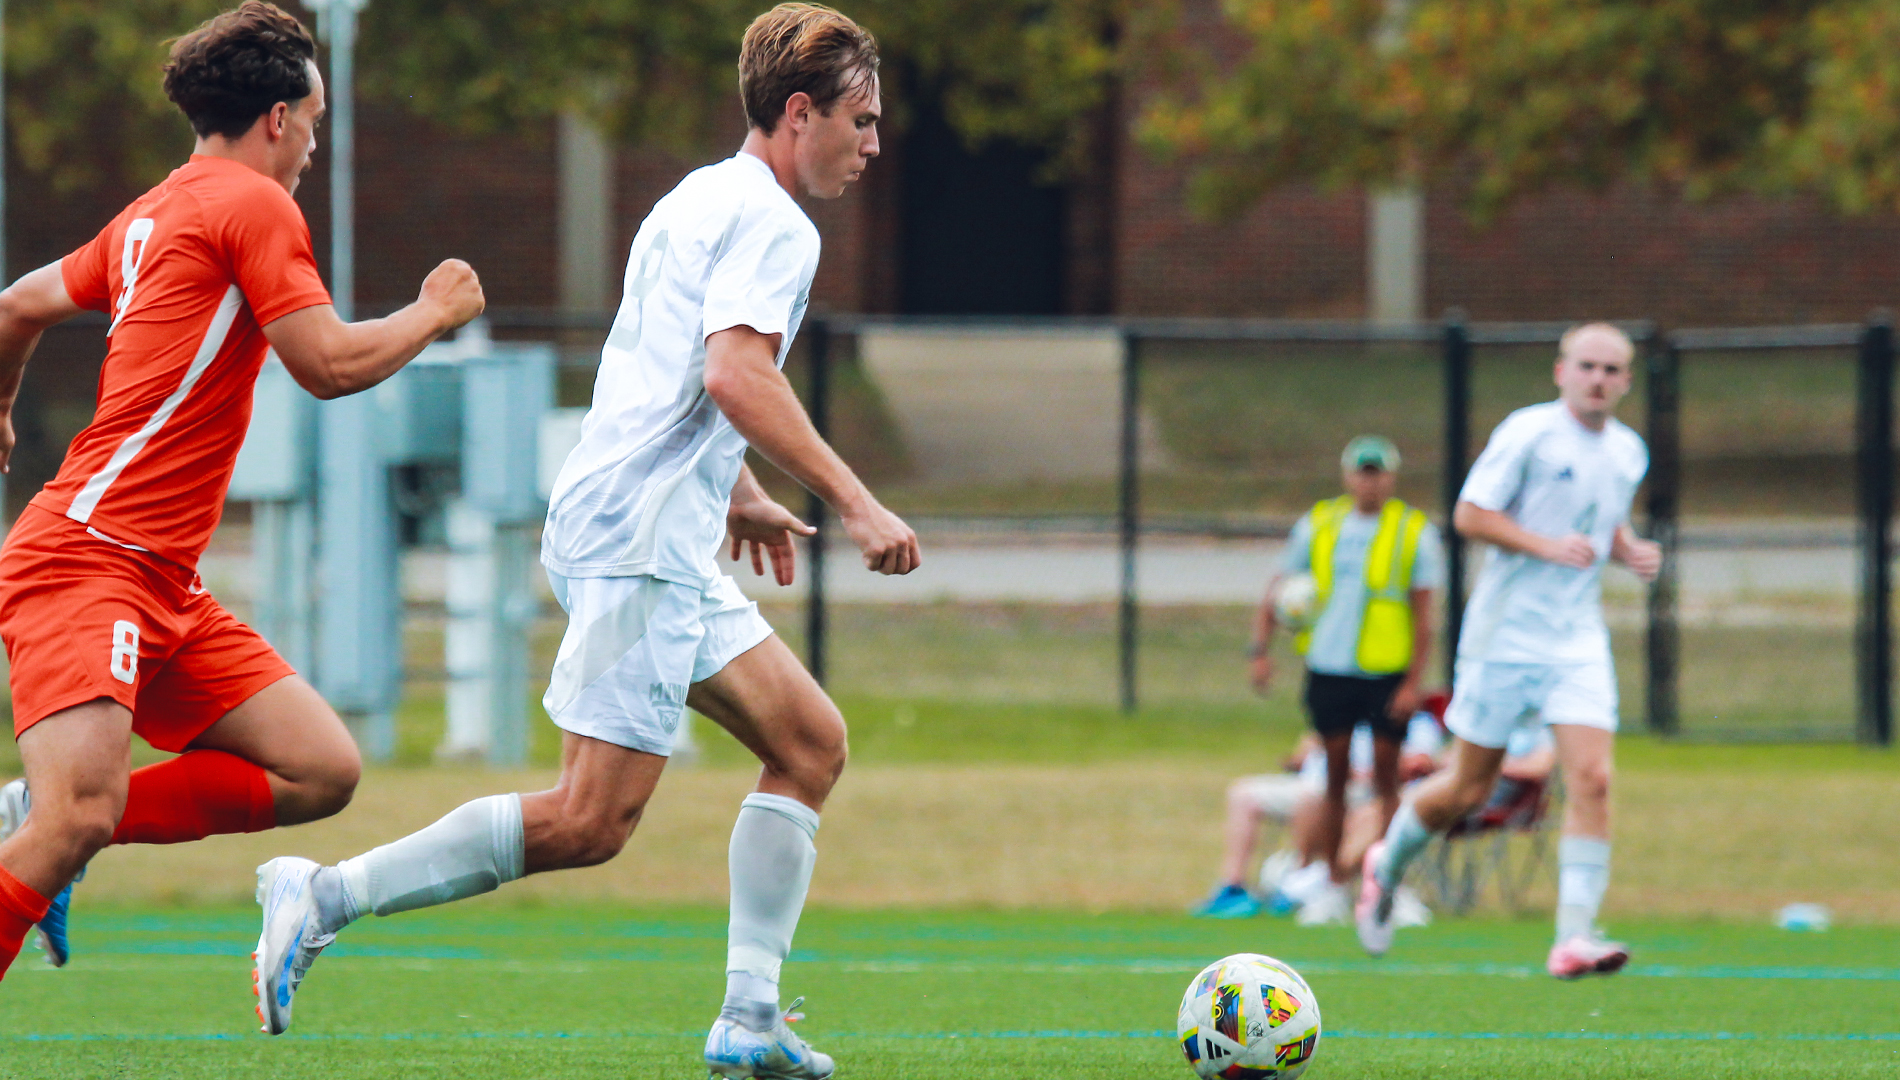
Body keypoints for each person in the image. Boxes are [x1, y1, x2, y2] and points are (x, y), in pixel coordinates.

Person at [253, 8, 916, 1078]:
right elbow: (733, 375)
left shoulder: (694, 196)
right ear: (801, 113)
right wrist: (856, 501)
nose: (872, 145)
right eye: (861, 120)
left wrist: (736, 488)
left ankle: (749, 1021)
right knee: (587, 820)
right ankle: (322, 893)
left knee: (808, 743)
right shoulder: (779, 227)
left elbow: (667, 375)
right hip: (638, 541)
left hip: (647, 526)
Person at [0, 2, 485, 983]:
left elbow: (17, 305)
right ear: (277, 117)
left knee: (319, 768)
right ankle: (51, 825)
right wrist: (433, 313)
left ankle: (39, 820)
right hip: (89, 557)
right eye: (312, 120)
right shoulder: (254, 204)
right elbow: (329, 365)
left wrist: (1, 411)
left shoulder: (153, 210)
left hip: (160, 581)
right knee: (81, 815)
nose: (311, 143)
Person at [1356, 322, 1662, 981]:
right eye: (1587, 366)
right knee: (1468, 787)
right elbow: (1471, 515)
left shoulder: (1629, 451)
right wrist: (1546, 545)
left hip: (1576, 638)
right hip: (1505, 636)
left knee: (1594, 778)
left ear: (1627, 382)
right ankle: (1389, 862)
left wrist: (1626, 549)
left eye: (1612, 370)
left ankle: (1573, 938)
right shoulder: (1529, 433)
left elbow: (1601, 520)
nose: (1599, 379)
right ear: (1561, 371)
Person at [1200, 436, 1441, 918]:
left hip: (1385, 673)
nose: (1369, 480)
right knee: (1331, 777)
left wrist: (1412, 682)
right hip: (1330, 669)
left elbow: (1424, 615)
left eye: (1378, 472)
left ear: (1391, 478)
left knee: (1388, 782)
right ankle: (1332, 881)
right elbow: (1280, 588)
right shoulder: (1320, 524)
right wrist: (1260, 648)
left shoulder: (1412, 531)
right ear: (1348, 475)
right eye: (1362, 471)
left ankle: (1388, 884)